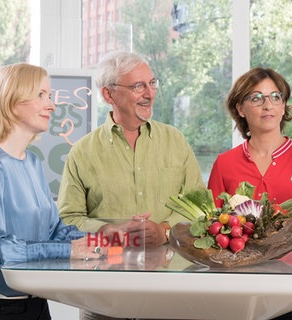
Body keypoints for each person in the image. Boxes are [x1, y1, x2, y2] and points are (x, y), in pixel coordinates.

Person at [57, 51, 205, 320]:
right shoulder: (82, 152)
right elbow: (67, 219)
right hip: (103, 299)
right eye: (138, 86)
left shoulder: (176, 141)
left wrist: (165, 230)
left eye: (152, 83)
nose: (149, 93)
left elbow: (199, 206)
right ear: (108, 95)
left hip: (170, 295)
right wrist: (108, 231)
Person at [0, 63, 102, 320]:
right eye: (41, 95)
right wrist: (69, 251)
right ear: (11, 101)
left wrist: (101, 241)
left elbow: (54, 230)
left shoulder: (32, 162)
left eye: (49, 96)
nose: (51, 105)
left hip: (36, 306)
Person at [207, 67, 292, 320]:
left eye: (276, 97)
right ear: (240, 109)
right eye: (256, 98)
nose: (268, 105)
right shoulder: (225, 164)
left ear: (284, 107)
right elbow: (212, 230)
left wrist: (268, 244)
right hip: (236, 294)